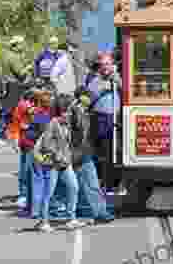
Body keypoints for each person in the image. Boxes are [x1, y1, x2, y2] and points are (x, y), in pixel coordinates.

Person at [32, 94, 86, 232]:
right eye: (68, 110)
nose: (70, 113)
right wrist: (57, 154)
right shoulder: (53, 123)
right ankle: (43, 221)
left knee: (73, 187)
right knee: (48, 192)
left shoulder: (66, 123)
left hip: (65, 162)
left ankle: (71, 218)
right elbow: (45, 144)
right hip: (53, 164)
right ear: (62, 110)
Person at [69, 87, 114, 224]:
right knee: (91, 183)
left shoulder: (82, 112)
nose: (91, 100)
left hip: (80, 153)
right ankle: (100, 212)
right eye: (88, 97)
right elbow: (79, 133)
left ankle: (87, 209)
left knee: (83, 184)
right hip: (81, 153)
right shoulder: (76, 112)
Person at [86, 52, 123, 194]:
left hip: (114, 118)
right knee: (100, 152)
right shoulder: (95, 80)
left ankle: (114, 182)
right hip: (99, 118)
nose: (105, 68)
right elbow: (87, 99)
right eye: (103, 65)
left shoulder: (117, 78)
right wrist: (101, 89)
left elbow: (127, 91)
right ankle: (101, 182)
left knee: (114, 151)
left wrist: (118, 82)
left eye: (108, 64)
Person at [21, 90, 52, 219]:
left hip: (31, 147)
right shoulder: (43, 116)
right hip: (37, 149)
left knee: (34, 179)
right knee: (39, 180)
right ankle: (37, 209)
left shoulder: (37, 114)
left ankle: (33, 207)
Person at [6, 89, 35, 212]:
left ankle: (24, 194)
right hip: (26, 139)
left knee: (25, 167)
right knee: (26, 168)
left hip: (23, 138)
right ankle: (24, 195)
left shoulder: (22, 104)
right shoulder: (25, 105)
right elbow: (31, 114)